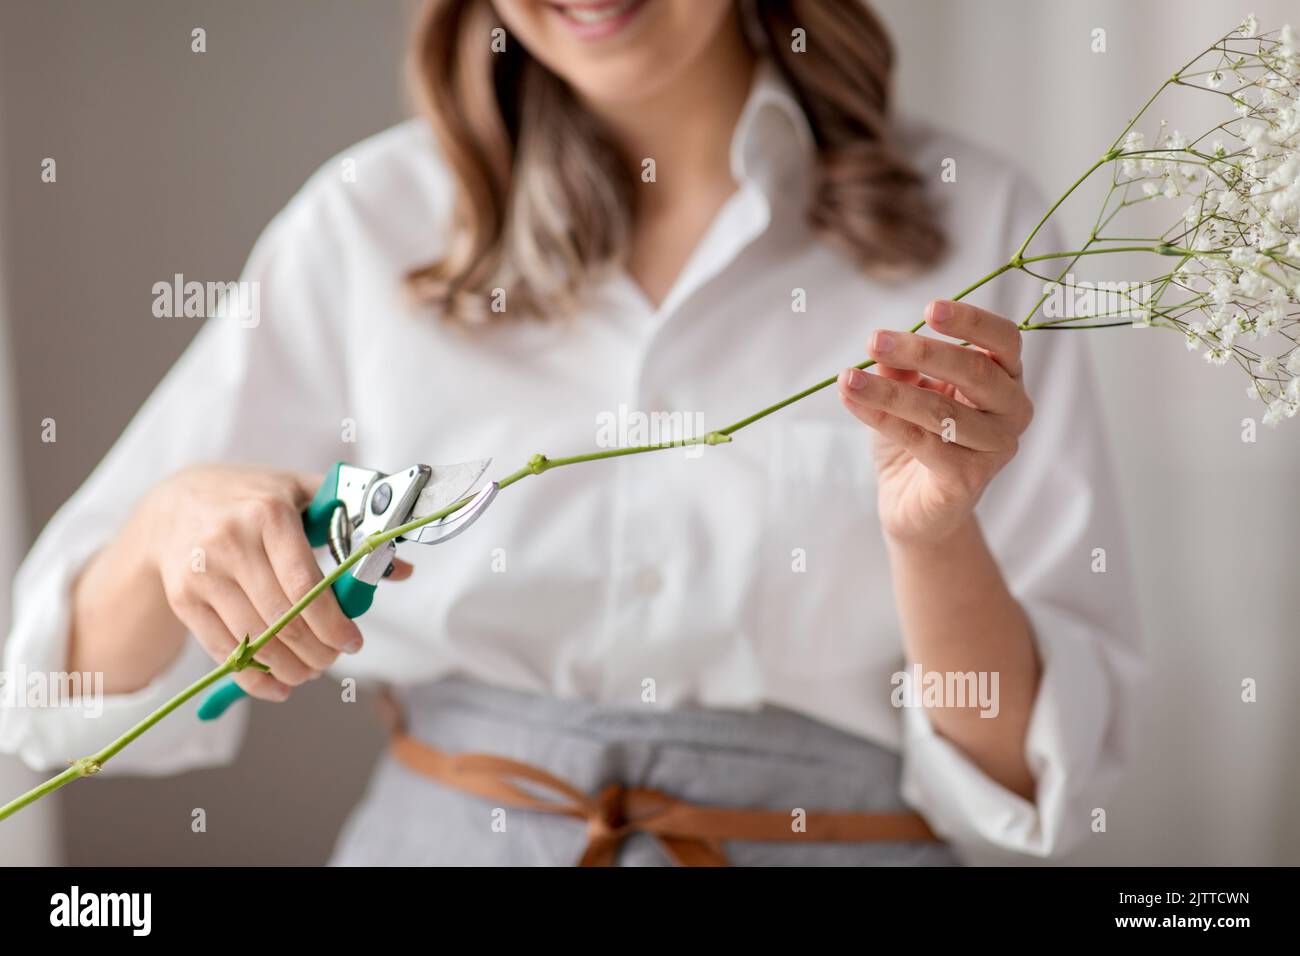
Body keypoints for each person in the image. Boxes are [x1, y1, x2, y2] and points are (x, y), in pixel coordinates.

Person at [0, 0, 1141, 865]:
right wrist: (167, 526)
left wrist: (934, 539)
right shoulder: (365, 223)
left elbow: (1031, 784)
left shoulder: (984, 228)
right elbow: (56, 706)